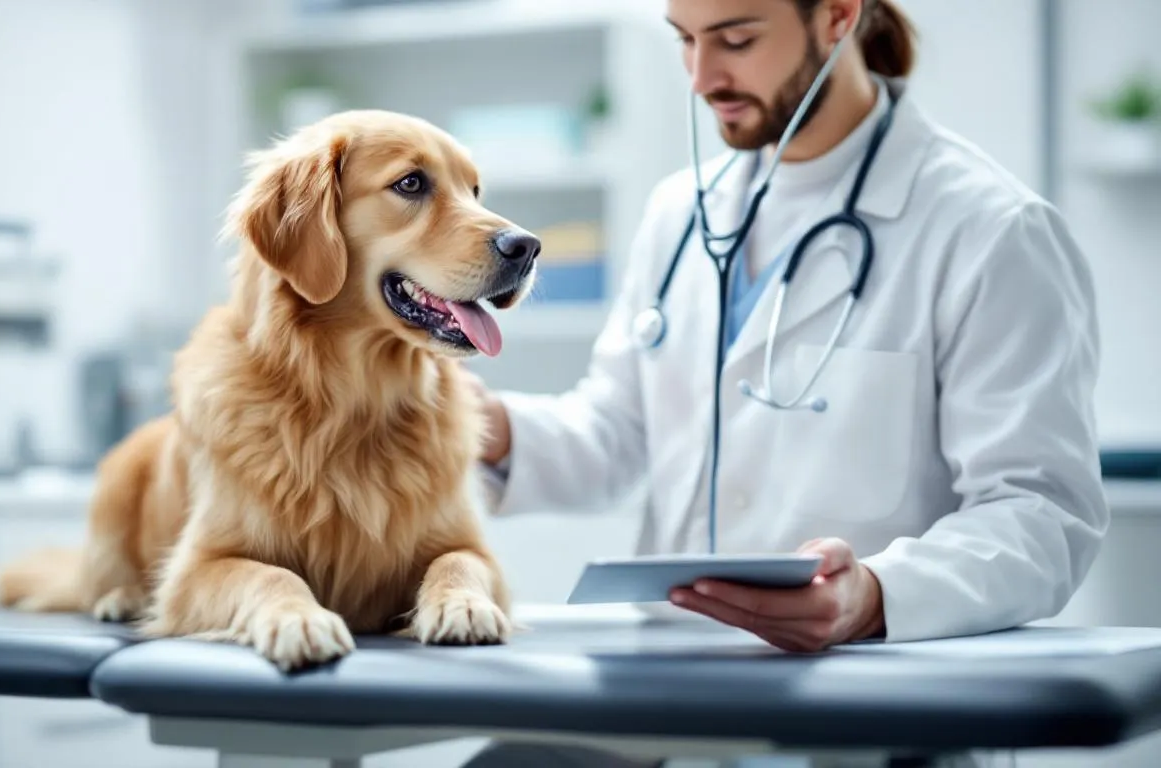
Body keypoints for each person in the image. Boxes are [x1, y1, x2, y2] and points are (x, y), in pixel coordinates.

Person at [462, 0, 1108, 765]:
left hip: (875, 710)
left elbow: (1040, 513)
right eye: (685, 41)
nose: (702, 77)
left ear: (837, 17)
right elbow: (622, 432)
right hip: (672, 691)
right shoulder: (680, 213)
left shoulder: (990, 229)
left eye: (736, 39)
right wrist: (481, 423)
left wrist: (875, 596)